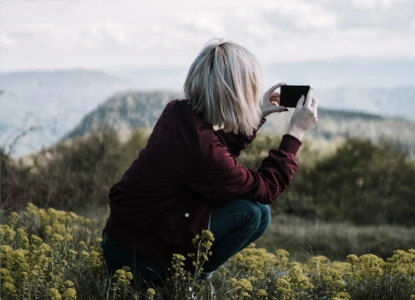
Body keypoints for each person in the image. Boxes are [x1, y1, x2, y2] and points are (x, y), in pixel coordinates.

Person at [100, 38, 319, 287]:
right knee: (252, 212)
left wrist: (256, 115)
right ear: (236, 95)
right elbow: (266, 188)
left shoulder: (178, 112)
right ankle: (187, 280)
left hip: (121, 242)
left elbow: (213, 152)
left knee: (258, 213)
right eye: (251, 90)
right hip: (136, 263)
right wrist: (295, 133)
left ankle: (190, 274)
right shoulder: (203, 151)